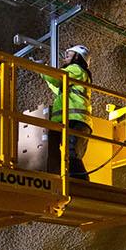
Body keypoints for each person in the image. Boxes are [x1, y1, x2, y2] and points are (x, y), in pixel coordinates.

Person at [43, 43, 93, 180]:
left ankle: (81, 185)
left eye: (68, 54)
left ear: (77, 57)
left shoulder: (77, 69)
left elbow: (57, 79)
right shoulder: (70, 77)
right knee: (55, 154)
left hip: (75, 120)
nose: (65, 57)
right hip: (65, 121)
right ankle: (59, 181)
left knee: (71, 155)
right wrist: (42, 71)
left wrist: (43, 68)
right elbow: (56, 85)